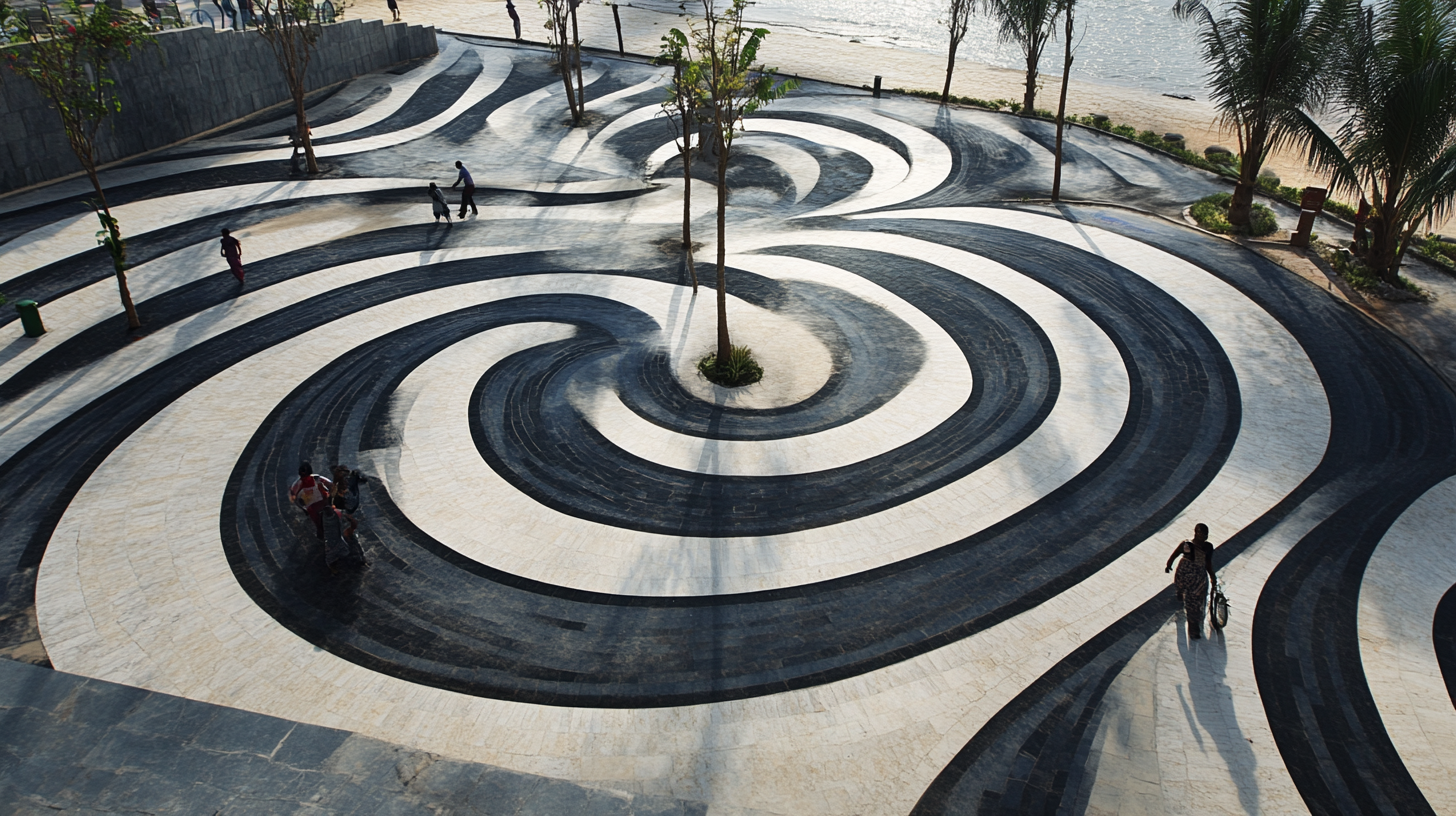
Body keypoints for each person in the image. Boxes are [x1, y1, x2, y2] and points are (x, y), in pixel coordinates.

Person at [1165, 523, 1217, 639]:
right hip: (1185, 574)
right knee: (1189, 599)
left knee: (1195, 603)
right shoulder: (1186, 544)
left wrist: (1212, 575)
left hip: (1198, 577)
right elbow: (1175, 555)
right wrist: (1169, 565)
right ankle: (1180, 595)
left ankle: (1194, 630)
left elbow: (1207, 562)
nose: (1204, 536)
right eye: (1201, 533)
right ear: (1196, 533)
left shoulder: (1208, 547)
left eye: (1205, 534)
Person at [288, 462, 334, 541]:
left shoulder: (318, 479)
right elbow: (294, 498)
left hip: (325, 503)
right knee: (318, 523)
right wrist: (304, 509)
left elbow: (331, 486)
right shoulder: (297, 485)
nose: (305, 479)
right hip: (313, 508)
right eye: (303, 477)